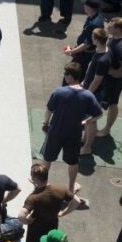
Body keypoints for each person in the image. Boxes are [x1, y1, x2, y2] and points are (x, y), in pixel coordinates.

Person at [39, 63, 102, 193]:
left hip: (55, 132)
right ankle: (71, 187)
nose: (65, 76)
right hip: (74, 134)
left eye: (66, 74)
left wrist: (45, 123)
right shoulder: (88, 95)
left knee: (47, 159)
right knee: (72, 162)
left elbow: (49, 110)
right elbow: (99, 114)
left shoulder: (58, 92)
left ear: (71, 76)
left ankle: (41, 185)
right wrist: (85, 122)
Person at [18, 165, 80, 242]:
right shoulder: (60, 189)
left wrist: (27, 221)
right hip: (52, 225)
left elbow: (21, 215)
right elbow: (77, 201)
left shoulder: (33, 198)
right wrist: (64, 213)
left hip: (36, 229)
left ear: (34, 178)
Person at [93, 17, 122, 139]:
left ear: (118, 29)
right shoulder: (116, 38)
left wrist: (114, 72)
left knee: (112, 104)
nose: (108, 28)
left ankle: (106, 129)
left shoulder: (121, 46)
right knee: (109, 103)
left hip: (115, 81)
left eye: (111, 27)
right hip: (110, 79)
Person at [80, 28, 110, 154]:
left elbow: (97, 80)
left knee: (90, 121)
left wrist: (87, 93)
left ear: (97, 40)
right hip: (91, 89)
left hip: (94, 93)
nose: (91, 39)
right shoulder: (101, 51)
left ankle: (87, 147)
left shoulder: (102, 59)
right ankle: (85, 138)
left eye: (93, 37)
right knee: (89, 120)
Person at [61, 0, 103, 77]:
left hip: (85, 54)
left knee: (75, 74)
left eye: (85, 5)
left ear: (90, 8)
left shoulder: (94, 24)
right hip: (82, 52)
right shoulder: (92, 17)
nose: (84, 6)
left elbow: (87, 44)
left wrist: (72, 52)